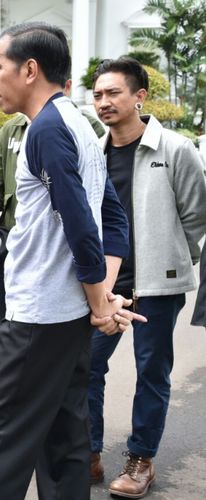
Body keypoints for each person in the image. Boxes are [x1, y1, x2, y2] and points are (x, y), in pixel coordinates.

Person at [0, 22, 141, 500]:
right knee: (64, 434)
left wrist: (100, 304)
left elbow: (84, 226)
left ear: (29, 69)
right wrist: (99, 297)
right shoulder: (79, 125)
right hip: (67, 316)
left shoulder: (46, 129)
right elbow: (112, 218)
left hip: (38, 315)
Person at [87, 57, 206, 497]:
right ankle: (90, 452)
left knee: (151, 371)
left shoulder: (174, 148)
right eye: (97, 95)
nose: (103, 102)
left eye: (113, 93)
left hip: (156, 285)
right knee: (87, 365)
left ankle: (141, 460)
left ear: (139, 96)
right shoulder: (93, 153)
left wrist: (172, 255)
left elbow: (196, 213)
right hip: (105, 283)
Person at [0, 79, 106, 379]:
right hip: (11, 250)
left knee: (40, 362)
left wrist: (100, 297)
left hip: (53, 267)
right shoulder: (10, 130)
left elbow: (83, 213)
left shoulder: (74, 128)